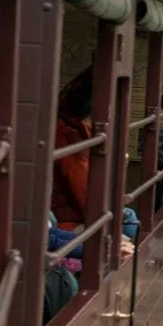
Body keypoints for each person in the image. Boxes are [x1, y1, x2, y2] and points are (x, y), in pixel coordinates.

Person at [52, 68, 140, 243]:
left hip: (76, 211)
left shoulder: (78, 127)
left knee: (129, 218)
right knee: (130, 226)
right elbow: (85, 192)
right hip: (69, 219)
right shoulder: (69, 134)